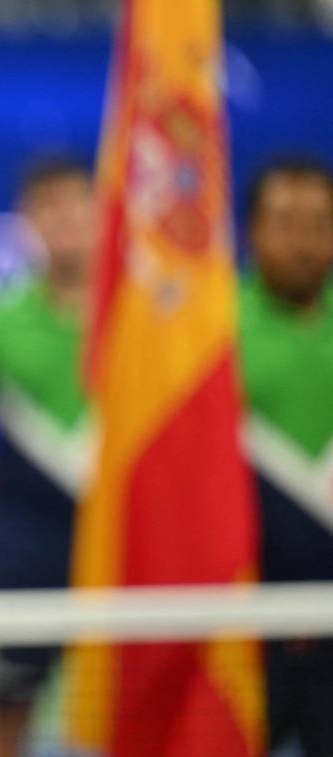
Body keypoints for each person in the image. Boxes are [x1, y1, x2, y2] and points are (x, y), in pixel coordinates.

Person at [0, 156, 95, 757]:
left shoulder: (148, 324)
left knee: (141, 716)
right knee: (7, 719)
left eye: (76, 202)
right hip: (23, 547)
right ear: (26, 222)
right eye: (48, 205)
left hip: (125, 546)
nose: (64, 218)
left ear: (103, 211)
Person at [239, 158, 333, 755]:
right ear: (251, 231)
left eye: (320, 223)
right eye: (285, 222)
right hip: (240, 622)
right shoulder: (202, 334)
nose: (302, 241)